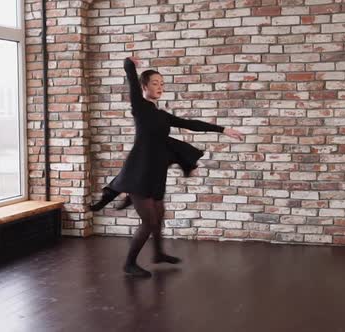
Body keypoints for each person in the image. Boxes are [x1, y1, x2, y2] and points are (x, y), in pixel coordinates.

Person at [102, 56, 244, 278]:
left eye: (162, 83)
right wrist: (129, 63)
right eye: (155, 83)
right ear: (145, 86)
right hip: (138, 174)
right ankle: (129, 264)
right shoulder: (139, 107)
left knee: (159, 214)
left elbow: (191, 124)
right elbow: (130, 78)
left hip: (155, 172)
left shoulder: (161, 115)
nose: (160, 87)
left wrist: (223, 129)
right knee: (149, 221)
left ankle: (158, 254)